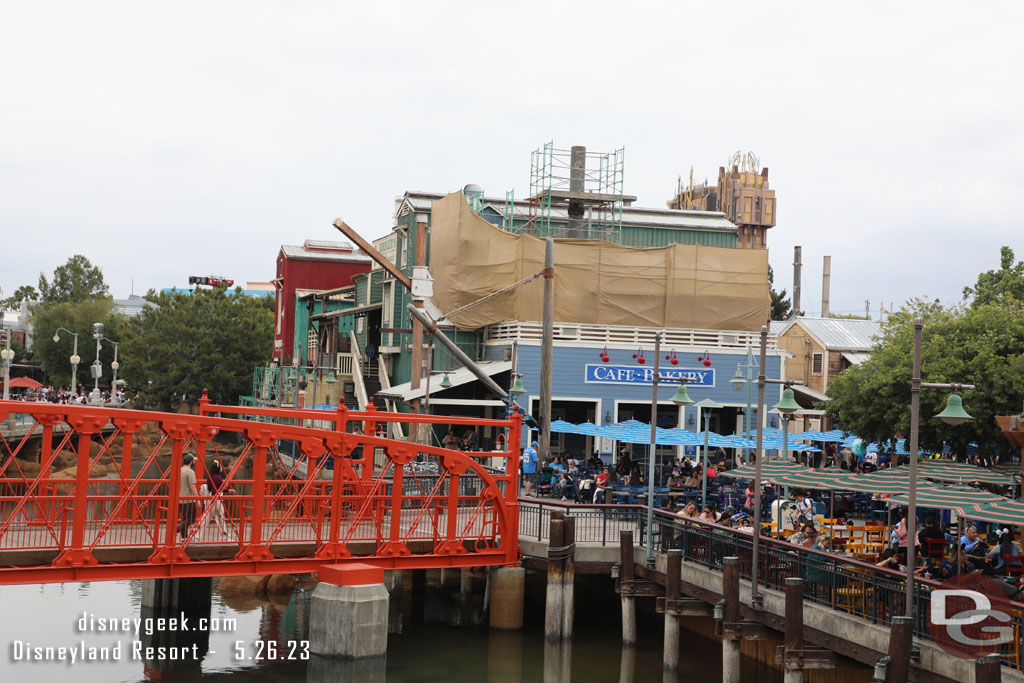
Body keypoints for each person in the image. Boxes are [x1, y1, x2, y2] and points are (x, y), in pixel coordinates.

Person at [199, 459, 232, 537]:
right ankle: (224, 532)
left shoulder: (211, 476)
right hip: (215, 500)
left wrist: (227, 490)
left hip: (211, 499)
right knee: (219, 516)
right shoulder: (217, 477)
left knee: (209, 518)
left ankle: (197, 535)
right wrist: (215, 498)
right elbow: (216, 489)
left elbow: (217, 487)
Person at [178, 453, 199, 540]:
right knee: (192, 518)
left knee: (184, 518)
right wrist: (197, 499)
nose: (194, 462)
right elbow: (192, 486)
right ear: (191, 462)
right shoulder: (190, 472)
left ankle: (184, 537)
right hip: (189, 500)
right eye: (194, 461)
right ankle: (176, 529)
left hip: (180, 498)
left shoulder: (179, 470)